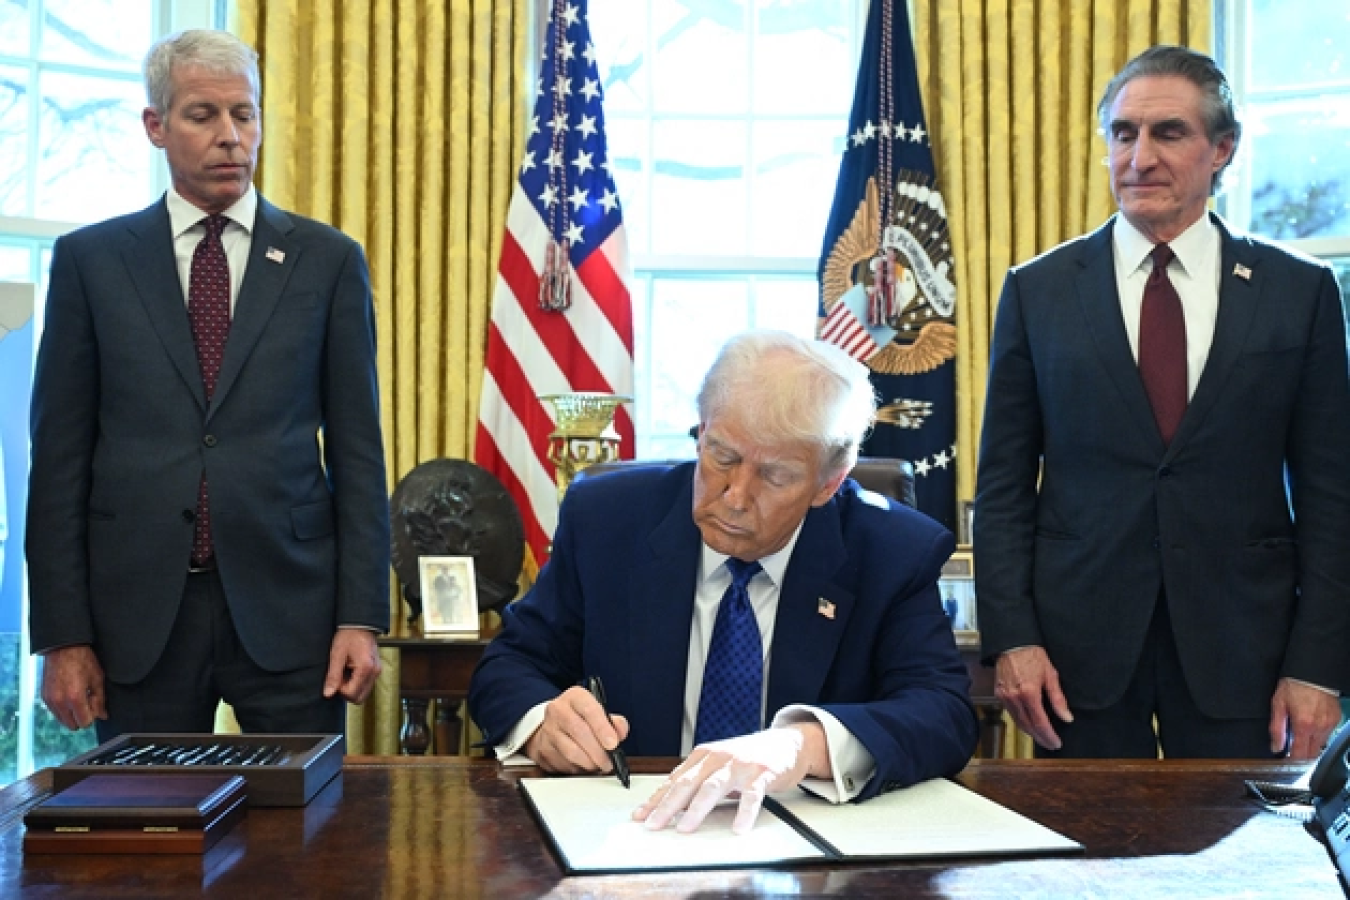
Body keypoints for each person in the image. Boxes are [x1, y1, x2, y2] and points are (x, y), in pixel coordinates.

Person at [974, 45, 1350, 761]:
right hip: (1076, 656)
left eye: (1168, 133)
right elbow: (1002, 488)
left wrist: (1317, 664)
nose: (1139, 157)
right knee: (1083, 868)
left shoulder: (1297, 293)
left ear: (1223, 149)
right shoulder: (1038, 290)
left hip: (1246, 652)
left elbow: (1334, 496)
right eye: (1123, 133)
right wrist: (1013, 638)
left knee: (1241, 868)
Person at [26, 29, 390, 740]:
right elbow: (60, 463)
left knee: (305, 845)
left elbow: (358, 453)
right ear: (156, 126)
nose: (230, 136)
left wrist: (361, 616)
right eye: (202, 115)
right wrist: (62, 636)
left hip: (292, 615)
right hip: (136, 621)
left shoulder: (328, 261)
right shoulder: (90, 264)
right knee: (147, 844)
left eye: (244, 114)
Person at [469, 330, 978, 834]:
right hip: (632, 831)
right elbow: (510, 664)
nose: (735, 496)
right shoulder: (607, 520)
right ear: (702, 429)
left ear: (830, 482)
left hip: (801, 844)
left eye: (775, 476)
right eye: (722, 457)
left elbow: (943, 714)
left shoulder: (892, 551)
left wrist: (802, 745)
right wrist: (541, 723)